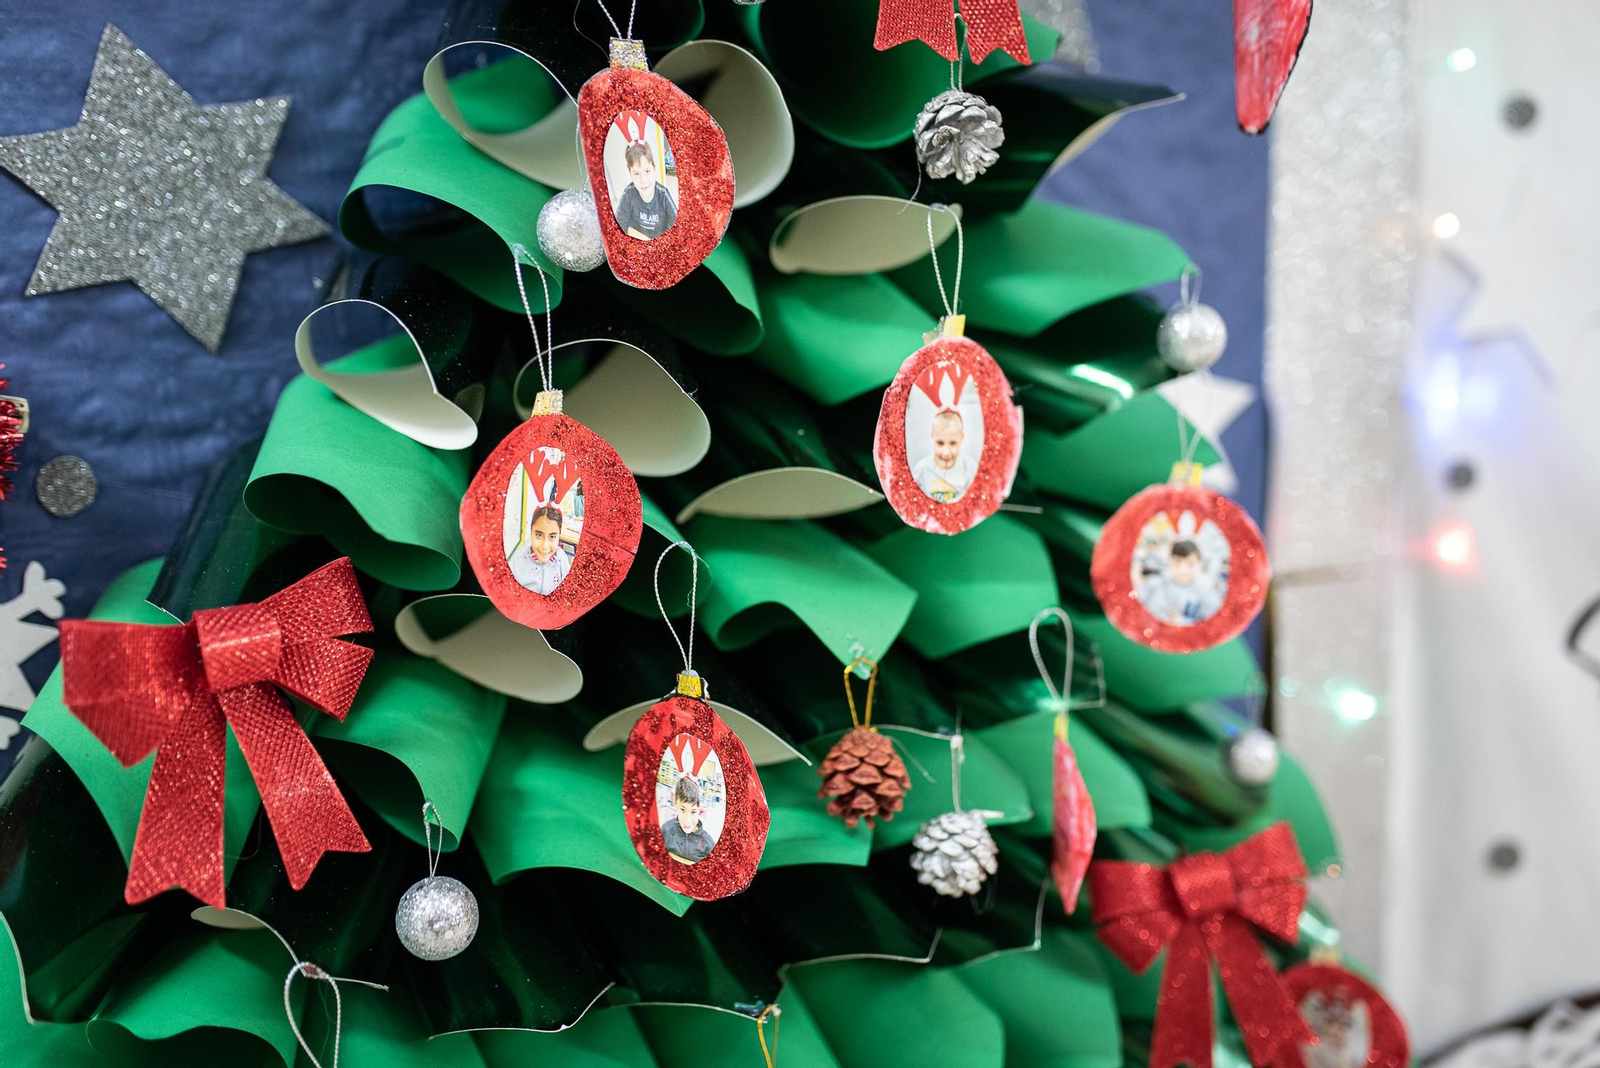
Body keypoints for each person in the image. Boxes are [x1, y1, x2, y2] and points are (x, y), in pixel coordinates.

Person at [1138, 539, 1224, 625]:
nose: (1183, 570)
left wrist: (1181, 621)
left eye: (1190, 564)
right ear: (1169, 562)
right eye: (1177, 564)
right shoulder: (1154, 585)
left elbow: (1213, 623)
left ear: (1200, 564)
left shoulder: (1207, 593)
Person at [612, 140, 677, 241]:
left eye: (647, 171)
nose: (643, 180)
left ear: (654, 169)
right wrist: (645, 240)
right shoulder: (629, 193)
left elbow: (678, 227)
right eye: (636, 173)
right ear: (630, 174)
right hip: (638, 242)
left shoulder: (663, 195)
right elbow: (618, 226)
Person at [911, 408, 978, 502]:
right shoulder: (922, 468)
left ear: (961, 438)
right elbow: (912, 498)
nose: (946, 452)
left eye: (953, 443)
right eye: (940, 443)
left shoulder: (969, 467)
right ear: (933, 437)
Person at [507, 504, 571, 594]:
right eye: (539, 535)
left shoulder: (561, 558)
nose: (544, 546)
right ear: (531, 532)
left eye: (552, 536)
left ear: (559, 535)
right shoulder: (516, 562)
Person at [661, 774, 715, 864]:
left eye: (693, 812)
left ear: (699, 809)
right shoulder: (666, 830)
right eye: (682, 810)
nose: (687, 821)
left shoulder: (708, 843)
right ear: (675, 804)